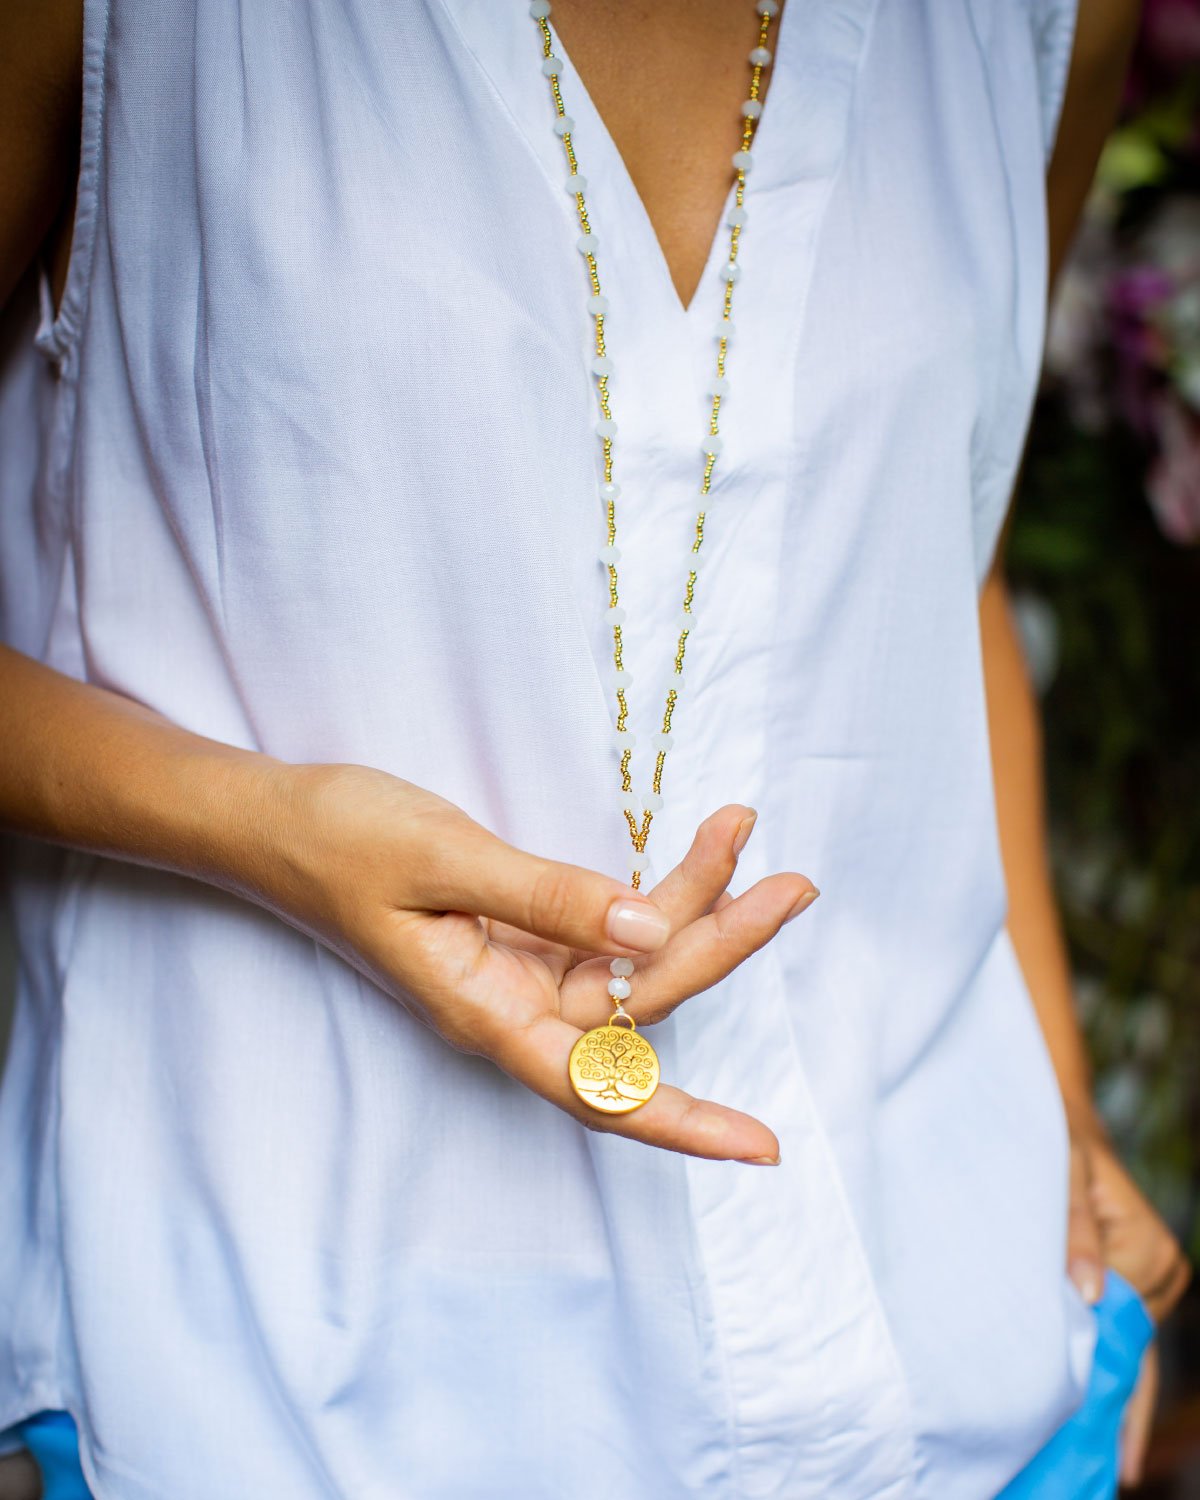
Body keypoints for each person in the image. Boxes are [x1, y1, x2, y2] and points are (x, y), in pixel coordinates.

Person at [0, 0, 1190, 1495]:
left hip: (958, 1371)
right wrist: (275, 835)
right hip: (289, 1389)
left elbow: (940, 561)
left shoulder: (1039, 23)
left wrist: (1067, 1112)